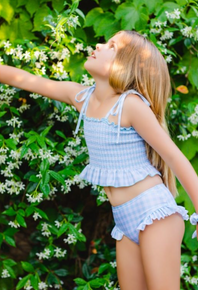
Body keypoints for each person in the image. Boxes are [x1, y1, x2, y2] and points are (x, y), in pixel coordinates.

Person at [0, 30, 198, 290]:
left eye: (111, 45)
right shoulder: (83, 97)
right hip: (124, 218)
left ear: (126, 64)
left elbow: (173, 155)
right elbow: (27, 80)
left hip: (154, 214)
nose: (98, 44)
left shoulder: (130, 105)